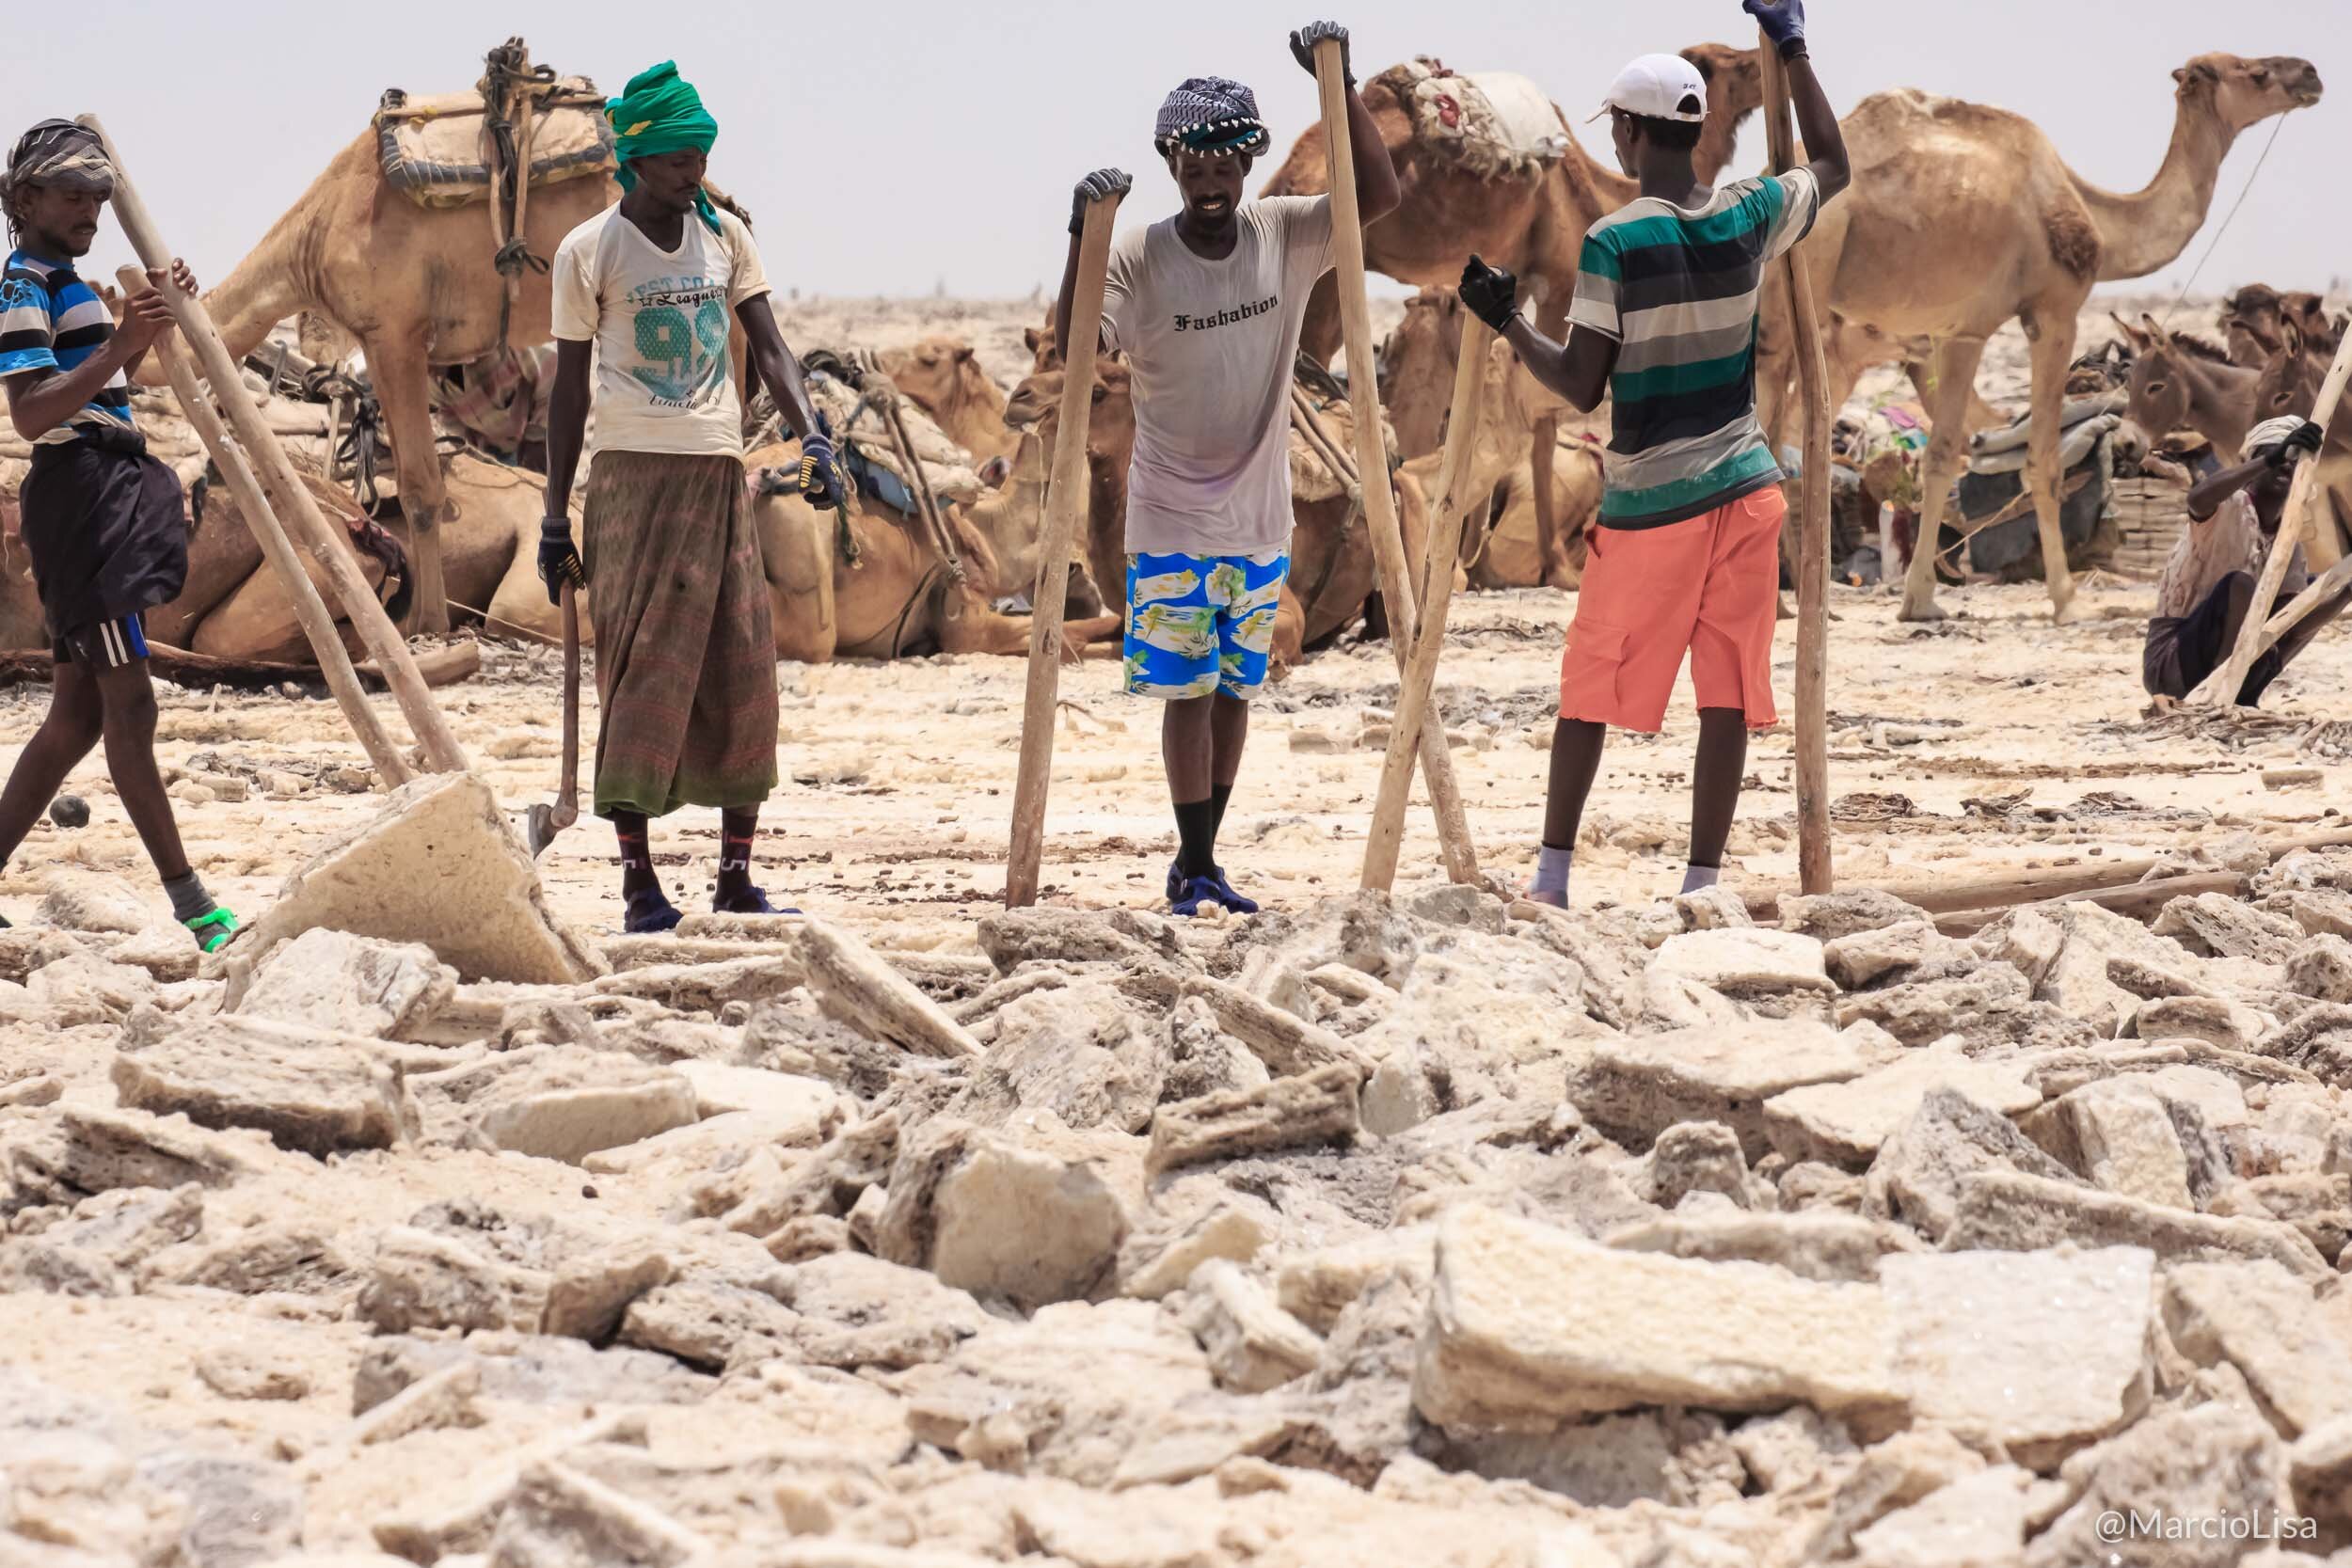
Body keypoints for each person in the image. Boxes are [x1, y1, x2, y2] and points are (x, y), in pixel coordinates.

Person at [1457, 0, 1849, 908]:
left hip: (1651, 508)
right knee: (1726, 691)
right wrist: (1792, 44)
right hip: (1749, 494)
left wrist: (1507, 318)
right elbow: (1830, 163)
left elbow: (1582, 382)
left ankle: (1552, 877)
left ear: (1631, 135)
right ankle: (1702, 883)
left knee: (1590, 682)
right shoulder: (1750, 214)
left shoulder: (1615, 241)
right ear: (1699, 128)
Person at [1055, 21, 1399, 917]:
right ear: (1172, 164)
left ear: (1246, 166)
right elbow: (1075, 339)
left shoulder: (1283, 233)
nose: (1209, 186)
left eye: (1223, 170)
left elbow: (1380, 195)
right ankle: (1193, 857)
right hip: (1168, 508)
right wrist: (1081, 236)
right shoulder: (1139, 254)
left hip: (1259, 509)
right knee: (1188, 691)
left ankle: (1206, 858)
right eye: (1193, 170)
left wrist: (1343, 84)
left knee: (1237, 689)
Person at [539, 62, 845, 932]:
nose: (693, 174)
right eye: (676, 160)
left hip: (718, 475)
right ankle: (639, 884)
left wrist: (813, 434)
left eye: (701, 156)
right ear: (635, 160)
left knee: (743, 664)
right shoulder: (589, 251)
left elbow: (774, 351)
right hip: (633, 481)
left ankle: (735, 876)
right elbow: (569, 393)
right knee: (640, 671)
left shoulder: (728, 239)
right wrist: (556, 517)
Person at [0, 120, 236, 950]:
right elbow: (32, 412)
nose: (90, 212)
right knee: (128, 704)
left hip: (101, 489)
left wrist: (150, 329)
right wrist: (123, 343)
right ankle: (194, 903)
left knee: (76, 716)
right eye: (72, 196)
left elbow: (104, 392)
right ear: (24, 199)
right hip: (81, 502)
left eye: (99, 198)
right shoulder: (24, 283)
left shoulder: (66, 282)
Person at [2143, 416, 2343, 706]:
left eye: (2295, 460)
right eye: (2279, 456)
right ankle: (2219, 692)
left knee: (2304, 603)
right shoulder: (2229, 505)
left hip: (2242, 664)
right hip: (2174, 662)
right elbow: (2197, 500)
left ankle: (2241, 690)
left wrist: (2345, 591)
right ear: (2255, 462)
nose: (2287, 464)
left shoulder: (2289, 541)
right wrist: (2271, 459)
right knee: (2239, 586)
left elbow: (2293, 626)